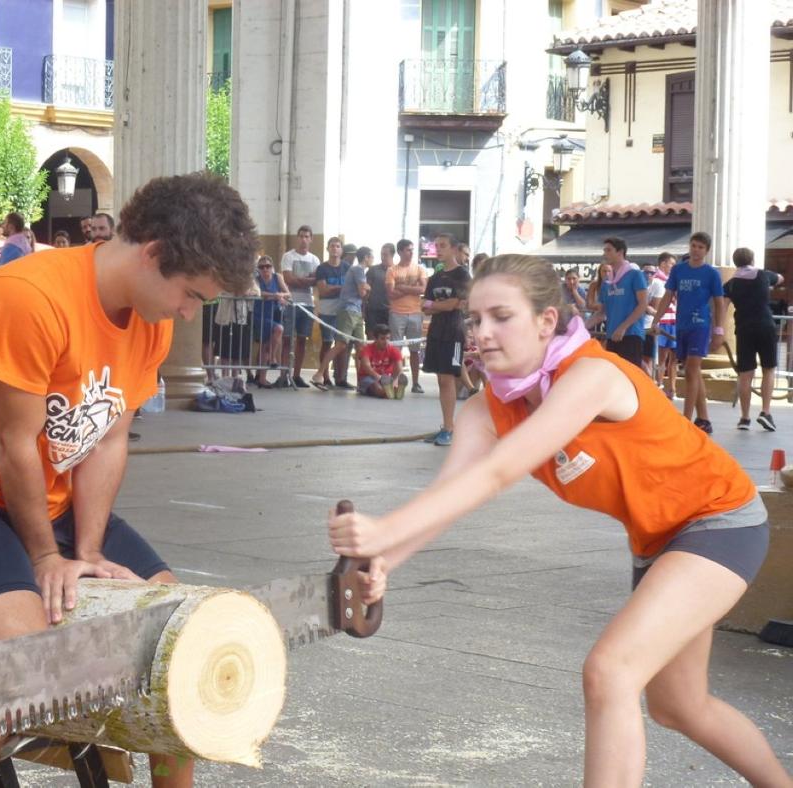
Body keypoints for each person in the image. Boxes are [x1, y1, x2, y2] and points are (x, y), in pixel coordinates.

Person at [328, 253, 789, 788]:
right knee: (678, 707)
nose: (483, 333)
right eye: (475, 319)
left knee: (610, 672)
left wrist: (385, 529)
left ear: (547, 321)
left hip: (720, 520)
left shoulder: (592, 377)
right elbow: (451, 495)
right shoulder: (488, 409)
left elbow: (499, 473)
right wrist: (385, 561)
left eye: (502, 317)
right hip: (658, 539)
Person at [0, 172, 259, 786]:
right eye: (191, 294)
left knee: (181, 645)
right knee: (18, 666)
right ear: (153, 255)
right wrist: (44, 557)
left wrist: (85, 551)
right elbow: (13, 447)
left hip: (49, 498)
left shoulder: (152, 318)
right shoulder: (28, 296)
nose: (189, 312)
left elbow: (108, 435)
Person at [650, 232, 724, 434]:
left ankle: (686, 418)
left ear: (706, 251)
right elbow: (668, 295)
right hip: (681, 324)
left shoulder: (711, 273)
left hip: (700, 324)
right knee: (694, 371)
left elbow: (719, 302)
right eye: (694, 245)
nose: (696, 250)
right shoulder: (678, 270)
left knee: (691, 368)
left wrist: (719, 329)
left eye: (701, 247)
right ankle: (704, 418)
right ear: (689, 247)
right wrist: (656, 320)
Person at [723, 247, 783, 431]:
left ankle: (744, 418)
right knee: (769, 369)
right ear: (753, 259)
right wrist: (769, 286)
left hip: (744, 328)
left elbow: (723, 308)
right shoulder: (764, 275)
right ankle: (765, 412)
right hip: (765, 325)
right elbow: (780, 278)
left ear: (735, 262)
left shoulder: (730, 284)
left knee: (745, 374)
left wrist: (717, 330)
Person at [421, 234, 470, 446]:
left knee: (448, 378)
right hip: (436, 331)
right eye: (436, 246)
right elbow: (425, 307)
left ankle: (449, 429)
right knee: (441, 380)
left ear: (453, 249)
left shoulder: (462, 275)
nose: (438, 250)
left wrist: (436, 304)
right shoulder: (435, 277)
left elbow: (454, 305)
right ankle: (447, 424)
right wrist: (437, 305)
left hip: (454, 331)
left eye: (442, 246)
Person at [315, 244, 370, 389]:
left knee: (360, 347)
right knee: (340, 345)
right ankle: (319, 374)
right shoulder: (358, 270)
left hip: (356, 310)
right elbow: (362, 292)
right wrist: (368, 288)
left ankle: (362, 382)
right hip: (348, 310)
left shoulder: (354, 269)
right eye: (371, 257)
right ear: (366, 257)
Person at [280, 225, 320, 388]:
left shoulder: (315, 260)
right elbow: (289, 280)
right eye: (301, 236)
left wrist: (301, 279)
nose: (303, 239)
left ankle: (296, 375)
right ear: (298, 238)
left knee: (302, 339)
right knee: (287, 339)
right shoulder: (288, 257)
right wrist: (307, 279)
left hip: (308, 304)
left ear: (311, 239)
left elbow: (316, 281)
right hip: (291, 303)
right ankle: (284, 375)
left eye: (307, 236)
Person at [599, 237, 647, 369]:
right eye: (604, 250)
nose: (605, 254)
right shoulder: (607, 282)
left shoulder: (635, 274)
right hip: (612, 336)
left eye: (609, 250)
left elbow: (643, 304)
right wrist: (582, 326)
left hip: (631, 335)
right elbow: (601, 312)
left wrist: (623, 327)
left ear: (620, 252)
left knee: (631, 376)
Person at [386, 239, 426, 393]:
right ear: (400, 252)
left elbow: (422, 289)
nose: (411, 252)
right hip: (397, 313)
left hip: (415, 313)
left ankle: (416, 383)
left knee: (415, 350)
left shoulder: (419, 269)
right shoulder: (392, 270)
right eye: (408, 250)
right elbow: (391, 294)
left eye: (412, 249)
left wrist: (402, 287)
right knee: (396, 350)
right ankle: (396, 381)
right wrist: (412, 288)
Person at [310, 237, 346, 390]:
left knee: (342, 344)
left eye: (337, 246)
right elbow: (323, 290)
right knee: (327, 342)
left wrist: (333, 287)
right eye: (332, 246)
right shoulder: (322, 268)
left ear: (341, 250)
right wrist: (340, 288)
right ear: (327, 248)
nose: (335, 249)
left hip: (343, 310)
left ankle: (341, 377)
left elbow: (350, 288)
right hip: (326, 309)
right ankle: (324, 376)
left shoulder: (347, 267)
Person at [252, 255, 289, 388]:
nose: (265, 269)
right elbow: (258, 293)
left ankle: (262, 378)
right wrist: (275, 295)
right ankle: (272, 358)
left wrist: (281, 296)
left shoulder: (277, 277)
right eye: (262, 267)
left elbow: (287, 293)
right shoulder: (256, 280)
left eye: (268, 266)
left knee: (266, 345)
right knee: (278, 330)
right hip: (259, 315)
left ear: (272, 268)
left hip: (273, 313)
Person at [651, 252, 678, 398]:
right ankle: (660, 385)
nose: (673, 267)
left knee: (674, 358)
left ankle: (672, 388)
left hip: (674, 321)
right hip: (663, 322)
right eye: (671, 264)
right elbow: (658, 303)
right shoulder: (657, 281)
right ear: (663, 264)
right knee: (662, 357)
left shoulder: (672, 281)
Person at [356, 324, 408, 399]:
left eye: (388, 338)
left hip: (387, 378)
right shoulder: (366, 349)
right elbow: (366, 367)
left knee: (386, 385)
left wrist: (394, 380)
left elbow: (399, 369)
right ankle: (392, 392)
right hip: (368, 377)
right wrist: (379, 378)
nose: (386, 341)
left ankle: (391, 390)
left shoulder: (394, 350)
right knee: (376, 388)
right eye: (382, 338)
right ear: (375, 338)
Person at [365, 242, 394, 336]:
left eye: (385, 255)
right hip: (373, 311)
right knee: (371, 337)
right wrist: (363, 309)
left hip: (390, 311)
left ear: (392, 255)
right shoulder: (373, 270)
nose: (383, 257)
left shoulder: (396, 270)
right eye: (381, 254)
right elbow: (366, 291)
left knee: (387, 339)